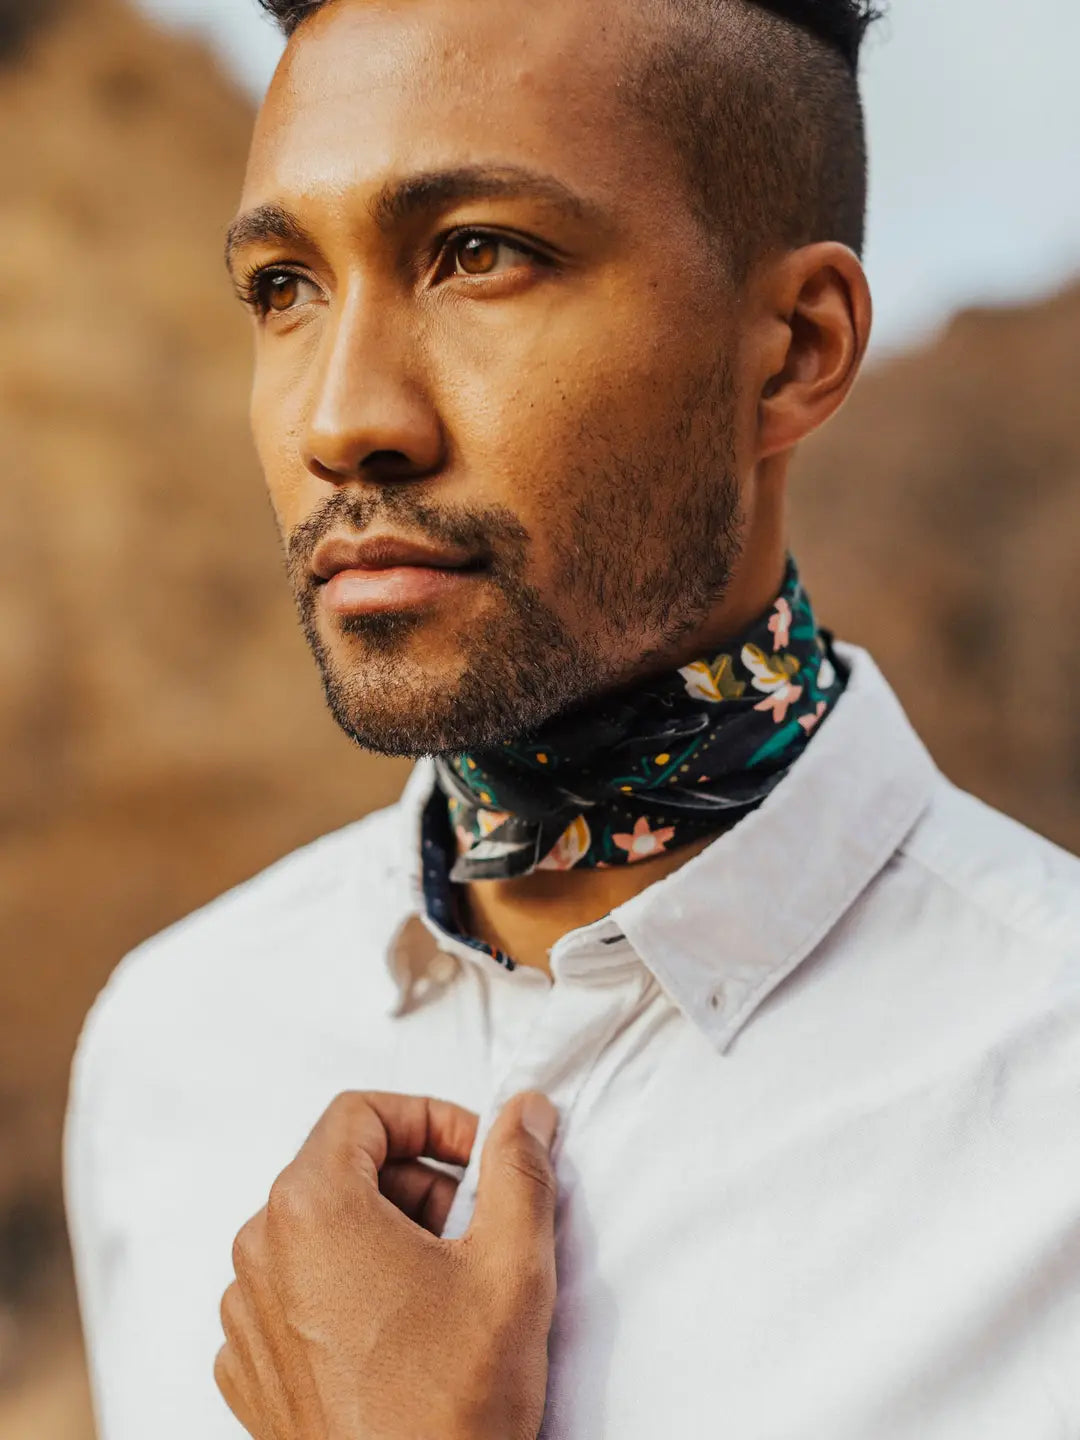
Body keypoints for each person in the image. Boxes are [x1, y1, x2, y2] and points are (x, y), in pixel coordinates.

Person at [64, 0, 1080, 1435]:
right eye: (285, 285)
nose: (342, 419)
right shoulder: (174, 1047)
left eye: (479, 255)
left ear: (795, 348)